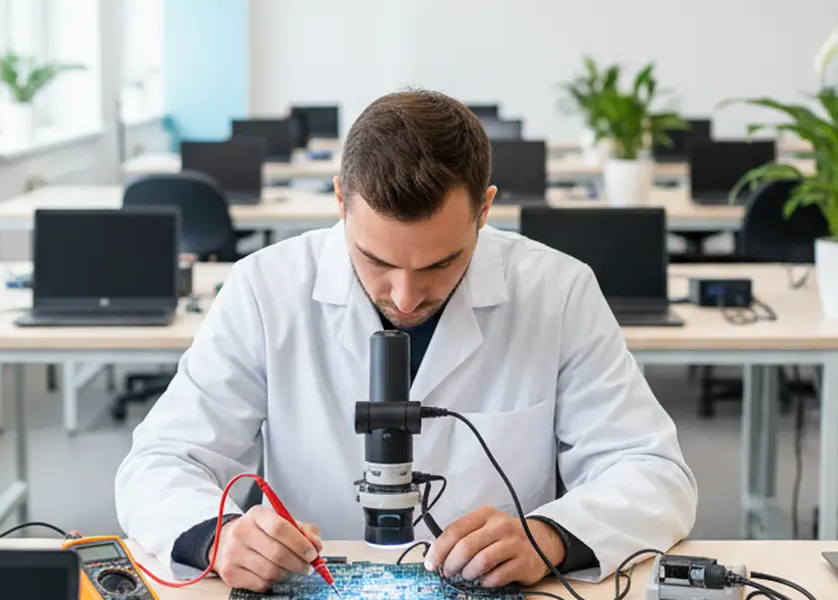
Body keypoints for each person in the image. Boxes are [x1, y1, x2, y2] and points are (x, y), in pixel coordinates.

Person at [115, 90, 697, 591]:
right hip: (311, 586)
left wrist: (549, 537)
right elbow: (161, 462)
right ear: (341, 201)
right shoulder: (265, 289)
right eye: (376, 260)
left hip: (494, 591)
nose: (407, 295)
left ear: (485, 210)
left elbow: (653, 473)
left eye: (441, 264)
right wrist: (220, 539)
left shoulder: (557, 291)